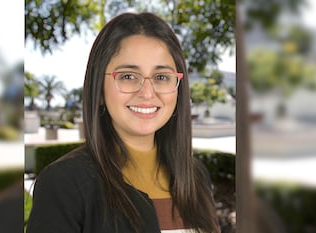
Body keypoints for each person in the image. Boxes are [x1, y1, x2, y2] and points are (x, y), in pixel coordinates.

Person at [26, 12, 221, 233]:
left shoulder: (196, 175)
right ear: (99, 89)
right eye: (128, 76)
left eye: (161, 77)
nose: (147, 93)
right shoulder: (63, 184)